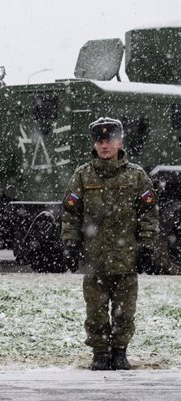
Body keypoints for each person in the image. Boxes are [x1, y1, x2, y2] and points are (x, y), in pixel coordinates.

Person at [61, 117, 159, 371]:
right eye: (99, 141)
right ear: (94, 144)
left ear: (120, 142)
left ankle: (120, 351)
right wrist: (70, 244)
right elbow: (71, 213)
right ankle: (100, 352)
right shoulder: (82, 176)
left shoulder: (136, 176)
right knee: (95, 309)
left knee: (125, 311)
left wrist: (148, 246)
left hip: (127, 257)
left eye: (109, 140)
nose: (104, 145)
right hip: (94, 258)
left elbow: (149, 213)